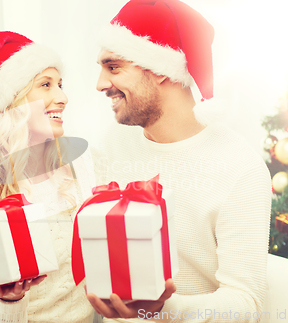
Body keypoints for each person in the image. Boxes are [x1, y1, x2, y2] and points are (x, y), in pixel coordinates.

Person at [88, 0, 272, 322]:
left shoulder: (239, 167)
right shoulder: (112, 144)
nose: (100, 84)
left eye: (113, 67)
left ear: (159, 70)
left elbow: (246, 302)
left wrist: (161, 310)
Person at [0, 31, 96, 322]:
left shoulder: (83, 165)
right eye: (45, 85)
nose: (63, 97)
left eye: (60, 84)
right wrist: (10, 299)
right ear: (12, 106)